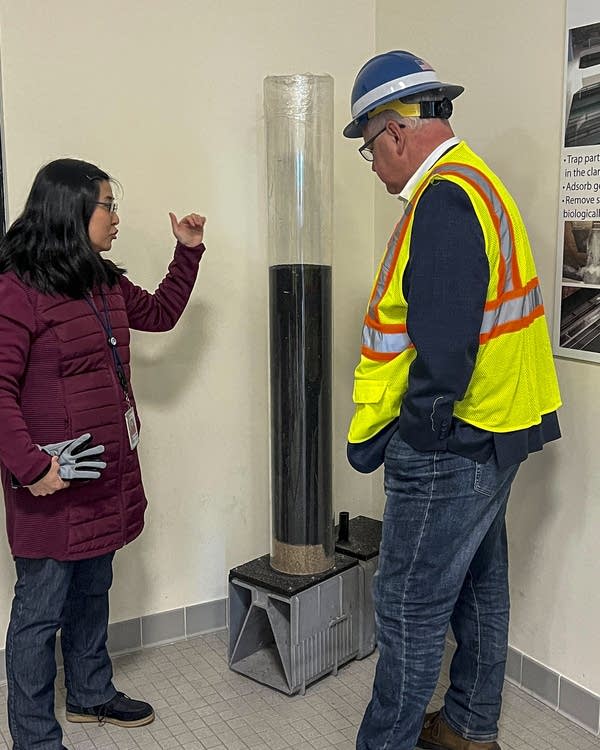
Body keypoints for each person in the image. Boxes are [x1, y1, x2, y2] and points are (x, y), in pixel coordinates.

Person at [343, 51, 562, 750]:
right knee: (478, 587)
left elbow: (443, 346)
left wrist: (419, 435)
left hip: (453, 441)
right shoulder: (479, 182)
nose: (374, 168)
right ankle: (470, 728)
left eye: (370, 150)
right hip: (500, 426)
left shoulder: (442, 199)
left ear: (396, 132)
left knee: (406, 604)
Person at [0, 158, 207, 749]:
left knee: (93, 590)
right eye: (108, 206)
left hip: (104, 476)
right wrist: (33, 468)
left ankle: (90, 694)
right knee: (40, 614)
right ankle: (34, 737)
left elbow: (161, 314)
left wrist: (186, 252)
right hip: (52, 485)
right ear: (71, 211)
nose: (116, 218)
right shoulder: (17, 290)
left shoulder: (103, 282)